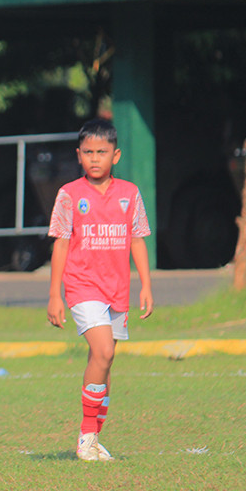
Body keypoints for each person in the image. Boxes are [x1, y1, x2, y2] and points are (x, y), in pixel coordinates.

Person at [47, 117, 154, 461]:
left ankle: (93, 437)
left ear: (116, 155)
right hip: (82, 287)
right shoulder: (69, 195)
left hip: (117, 290)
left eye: (102, 152)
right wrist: (54, 295)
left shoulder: (130, 194)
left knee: (104, 363)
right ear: (79, 155)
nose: (95, 158)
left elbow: (137, 240)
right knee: (103, 351)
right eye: (88, 152)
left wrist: (146, 285)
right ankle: (86, 435)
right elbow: (61, 244)